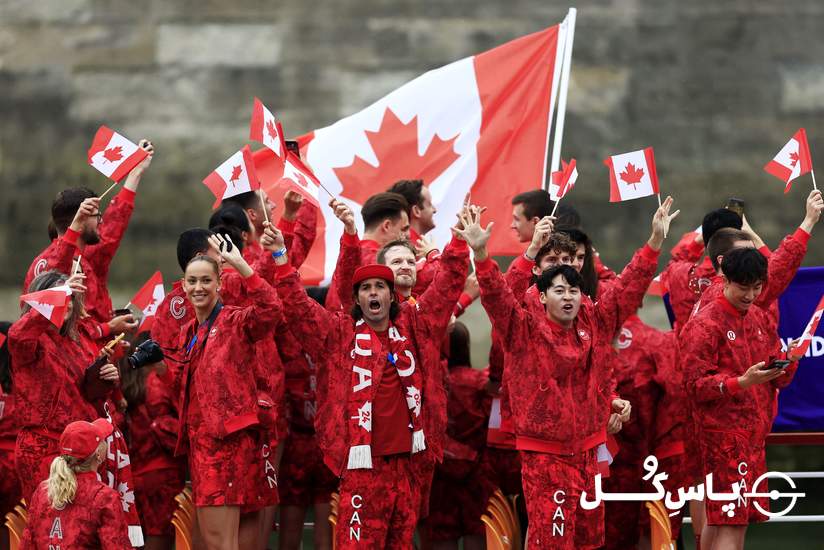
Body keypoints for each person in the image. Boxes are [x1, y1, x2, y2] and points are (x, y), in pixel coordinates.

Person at [472, 198, 677, 548]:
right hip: (545, 455)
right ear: (541, 292)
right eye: (559, 289)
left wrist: (655, 242)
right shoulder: (521, 328)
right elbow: (496, 295)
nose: (568, 296)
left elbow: (628, 287)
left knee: (590, 540)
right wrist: (481, 254)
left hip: (588, 451)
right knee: (552, 542)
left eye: (573, 289)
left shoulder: (595, 321)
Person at [273, 204, 471, 548]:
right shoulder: (337, 334)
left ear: (392, 294)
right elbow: (294, 304)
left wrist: (458, 244)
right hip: (362, 468)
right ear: (357, 297)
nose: (374, 293)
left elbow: (447, 288)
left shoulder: (415, 326)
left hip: (408, 465)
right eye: (366, 288)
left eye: (381, 286)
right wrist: (279, 255)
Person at [681, 247, 803, 550]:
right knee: (731, 522)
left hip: (753, 439)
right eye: (743, 287)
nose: (750, 295)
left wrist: (790, 359)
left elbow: (779, 379)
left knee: (726, 519)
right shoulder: (706, 323)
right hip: (722, 438)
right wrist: (739, 382)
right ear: (725, 280)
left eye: (757, 287)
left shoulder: (760, 319)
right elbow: (694, 386)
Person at [175, 232, 282, 550]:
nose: (198, 288)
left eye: (206, 280)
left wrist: (243, 266)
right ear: (182, 286)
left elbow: (271, 310)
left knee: (220, 543)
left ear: (220, 284)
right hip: (207, 448)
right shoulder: (187, 332)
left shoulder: (236, 321)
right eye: (192, 281)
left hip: (228, 449)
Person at [9, 271, 120, 500]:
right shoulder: (29, 342)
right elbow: (17, 335)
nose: (66, 303)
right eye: (61, 296)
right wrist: (60, 294)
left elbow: (84, 395)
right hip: (43, 449)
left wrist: (104, 380)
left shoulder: (76, 343)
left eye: (70, 298)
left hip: (80, 451)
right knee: (53, 528)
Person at [23, 140, 154, 330]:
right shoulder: (59, 264)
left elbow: (112, 231)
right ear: (80, 219)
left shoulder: (82, 259)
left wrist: (135, 173)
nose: (101, 222)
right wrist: (108, 328)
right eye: (96, 216)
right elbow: (64, 329)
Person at [422, 322, 493, 550]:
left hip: (440, 472)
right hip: (476, 471)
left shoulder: (431, 385)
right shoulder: (480, 383)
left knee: (443, 535)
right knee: (476, 530)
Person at [20, 419, 132, 550]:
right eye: (103, 440)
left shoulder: (42, 491)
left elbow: (27, 544)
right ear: (99, 455)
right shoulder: (105, 497)